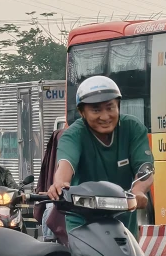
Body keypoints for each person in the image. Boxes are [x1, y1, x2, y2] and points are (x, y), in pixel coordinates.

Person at [47, 76, 154, 237]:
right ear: (81, 112)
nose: (105, 117)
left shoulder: (133, 128)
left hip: (124, 223)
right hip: (82, 224)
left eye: (110, 107)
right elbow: (65, 164)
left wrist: (138, 191)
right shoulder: (73, 135)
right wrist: (60, 184)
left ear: (119, 105)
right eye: (96, 110)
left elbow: (145, 168)